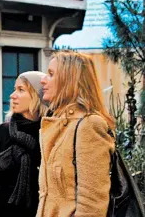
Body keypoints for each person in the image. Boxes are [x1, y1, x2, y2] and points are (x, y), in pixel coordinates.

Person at [37, 51, 115, 217]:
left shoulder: (89, 125)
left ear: (70, 80)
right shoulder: (59, 125)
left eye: (51, 74)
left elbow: (92, 206)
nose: (43, 80)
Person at [0, 71, 48, 217]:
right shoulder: (2, 132)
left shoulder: (48, 135)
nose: (12, 95)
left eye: (21, 90)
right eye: (14, 89)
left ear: (38, 96)